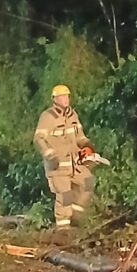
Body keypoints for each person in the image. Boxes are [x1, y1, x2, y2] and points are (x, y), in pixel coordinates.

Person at [33, 84, 95, 229]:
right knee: (65, 195)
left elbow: (80, 136)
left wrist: (87, 146)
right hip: (58, 166)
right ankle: (63, 228)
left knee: (88, 182)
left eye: (67, 96)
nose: (65, 99)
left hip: (75, 163)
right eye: (61, 97)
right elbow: (38, 139)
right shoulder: (47, 117)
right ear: (54, 99)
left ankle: (76, 214)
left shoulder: (72, 115)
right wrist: (49, 154)